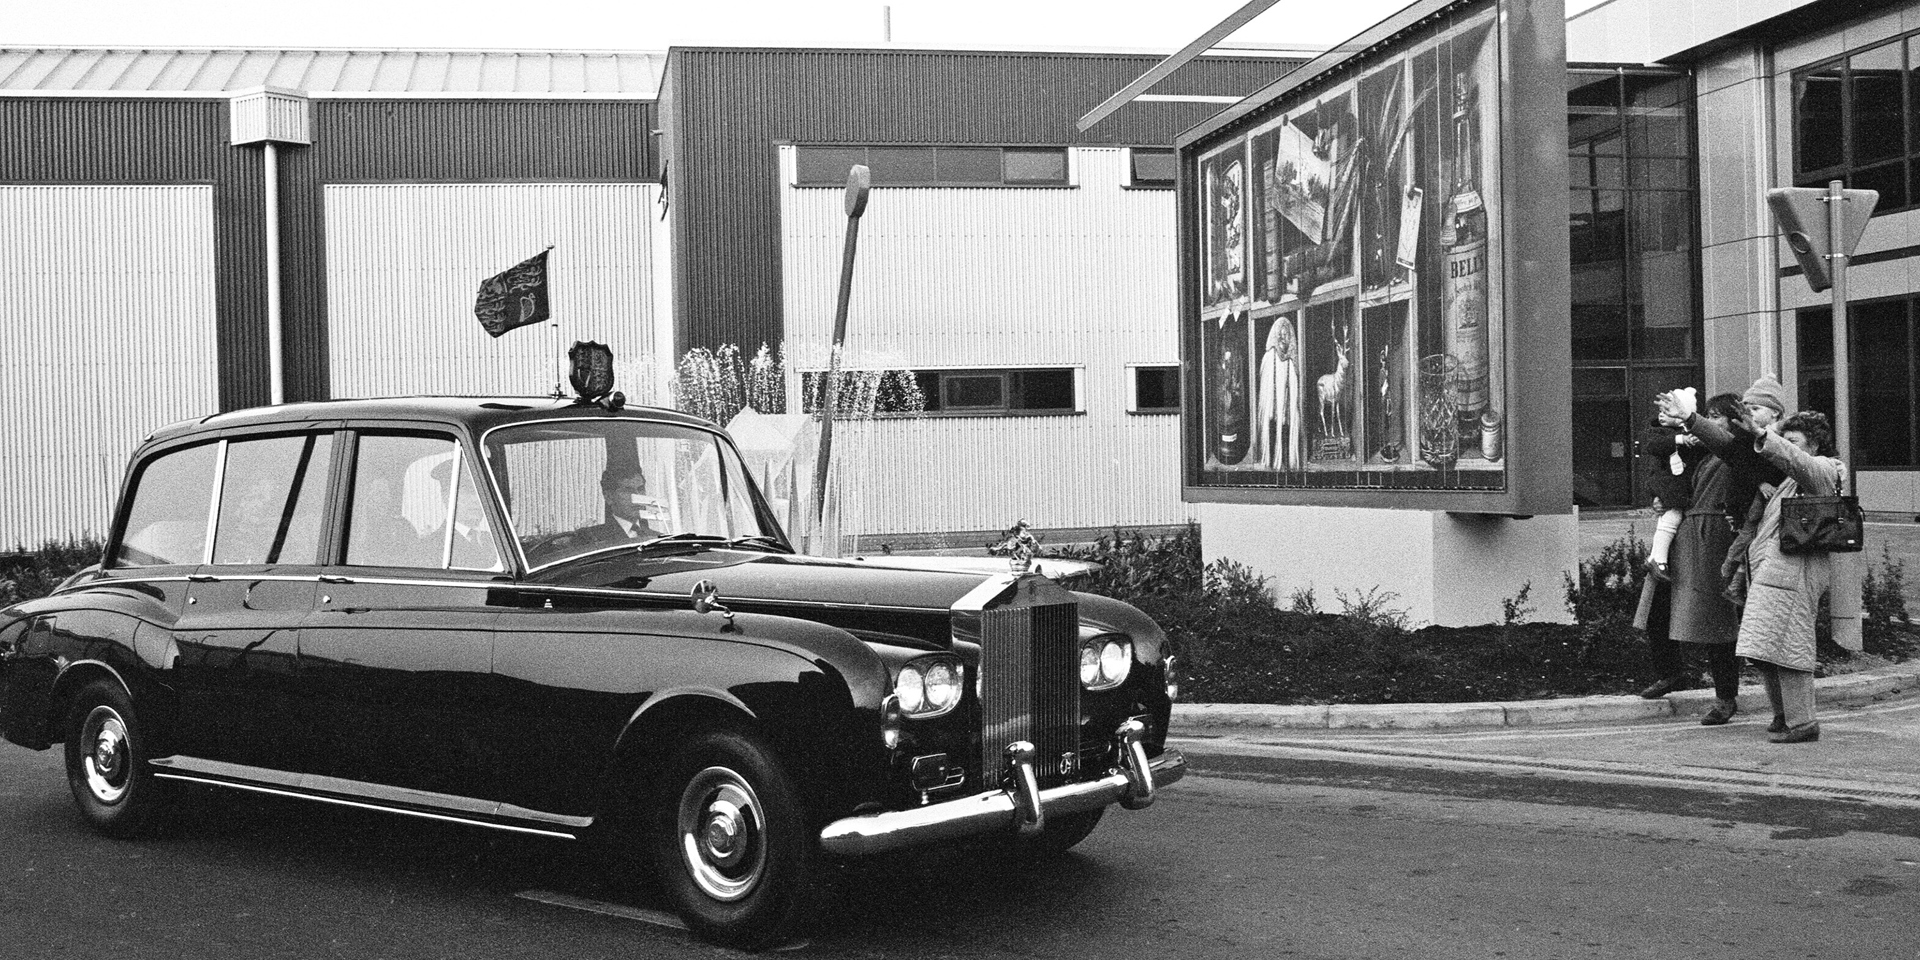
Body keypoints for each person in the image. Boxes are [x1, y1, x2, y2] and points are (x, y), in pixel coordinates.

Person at [1664, 393, 1861, 743]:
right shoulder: (1785, 474)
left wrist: (1766, 435)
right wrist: (1692, 419)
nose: (1787, 445)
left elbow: (1798, 461)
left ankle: (1802, 723)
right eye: (1785, 438)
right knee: (1762, 647)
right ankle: (1784, 716)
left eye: (1795, 440)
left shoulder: (1824, 471)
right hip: (1770, 570)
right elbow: (1730, 447)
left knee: (1787, 648)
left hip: (1793, 573)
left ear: (1813, 445)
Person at [1633, 392, 1745, 724]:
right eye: (1708, 414)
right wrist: (1660, 497)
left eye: (1718, 415)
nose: (1712, 420)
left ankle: (1726, 697)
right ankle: (1671, 671)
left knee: (1715, 620)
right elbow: (1667, 472)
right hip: (1684, 531)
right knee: (1658, 608)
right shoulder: (1694, 447)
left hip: (1712, 539)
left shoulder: (1734, 448)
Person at [579, 465, 670, 547]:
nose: (637, 497)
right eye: (628, 491)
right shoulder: (592, 539)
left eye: (640, 489)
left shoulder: (658, 538)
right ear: (609, 497)